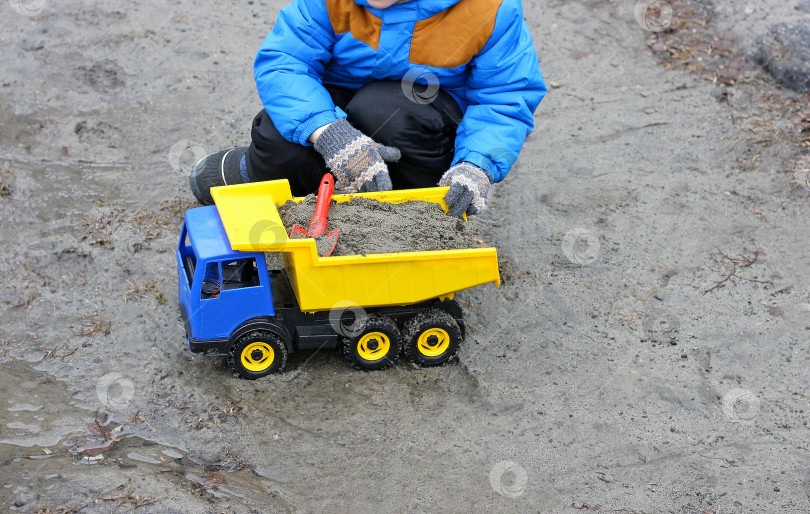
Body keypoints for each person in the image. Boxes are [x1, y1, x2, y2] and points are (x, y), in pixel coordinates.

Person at [189, 0, 546, 218]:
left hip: (423, 120)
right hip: (339, 100)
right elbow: (284, 62)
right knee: (280, 135)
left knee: (382, 109)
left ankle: (409, 213)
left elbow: (505, 97)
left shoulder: (491, 8)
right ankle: (261, 171)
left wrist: (477, 165)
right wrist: (327, 131)